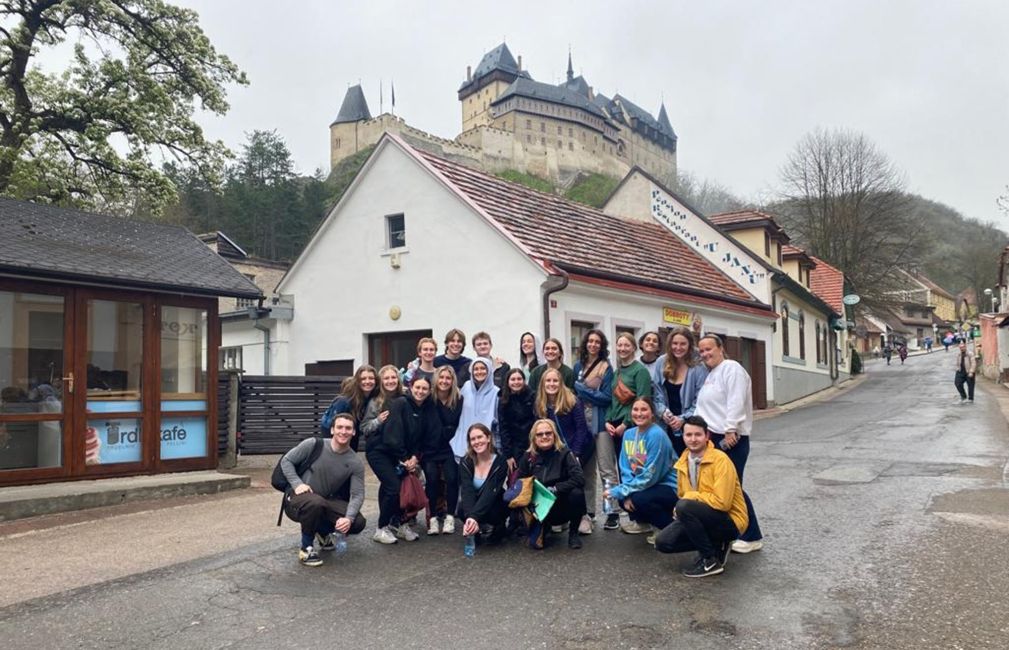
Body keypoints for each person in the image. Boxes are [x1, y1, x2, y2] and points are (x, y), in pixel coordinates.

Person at [654, 415, 748, 578]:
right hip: (702, 515)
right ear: (683, 436)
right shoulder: (683, 461)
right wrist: (683, 507)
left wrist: (688, 500)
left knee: (684, 506)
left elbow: (722, 503)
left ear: (707, 436)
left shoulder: (720, 460)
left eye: (698, 435)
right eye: (688, 435)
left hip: (730, 520)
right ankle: (715, 545)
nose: (693, 439)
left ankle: (710, 560)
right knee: (663, 542)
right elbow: (683, 496)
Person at [695, 333, 763, 554]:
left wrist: (731, 428)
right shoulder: (711, 374)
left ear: (721, 348)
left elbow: (736, 400)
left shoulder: (731, 368)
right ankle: (730, 532)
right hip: (712, 437)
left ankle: (752, 536)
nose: (705, 353)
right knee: (718, 489)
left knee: (732, 488)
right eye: (702, 351)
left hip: (730, 438)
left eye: (709, 349)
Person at [281, 414, 367, 566]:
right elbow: (286, 461)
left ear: (354, 432)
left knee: (358, 522)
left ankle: (322, 531)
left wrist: (348, 518)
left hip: (325, 500)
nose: (343, 431)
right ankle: (306, 548)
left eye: (348, 428)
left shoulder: (355, 462)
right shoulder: (313, 444)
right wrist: (297, 483)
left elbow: (357, 494)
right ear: (332, 430)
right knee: (316, 503)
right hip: (297, 498)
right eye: (339, 427)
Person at [365, 375, 434, 544]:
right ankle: (381, 528)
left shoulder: (425, 408)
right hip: (380, 451)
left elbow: (420, 438)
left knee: (404, 488)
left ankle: (399, 524)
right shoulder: (401, 403)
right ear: (410, 387)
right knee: (393, 487)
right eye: (417, 387)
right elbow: (392, 437)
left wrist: (414, 458)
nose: (420, 391)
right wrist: (405, 459)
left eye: (424, 388)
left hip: (401, 455)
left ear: (429, 391)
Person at [599, 332, 652, 531]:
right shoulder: (618, 371)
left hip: (630, 428)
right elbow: (613, 400)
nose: (622, 349)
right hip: (614, 426)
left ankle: (642, 518)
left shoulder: (640, 371)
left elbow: (643, 400)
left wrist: (626, 423)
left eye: (626, 345)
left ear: (633, 348)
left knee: (634, 470)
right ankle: (629, 515)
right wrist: (606, 421)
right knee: (620, 471)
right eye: (619, 345)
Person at [605, 397, 678, 538]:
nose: (639, 414)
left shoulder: (657, 435)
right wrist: (625, 493)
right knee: (623, 497)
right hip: (645, 484)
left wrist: (623, 491)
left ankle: (669, 528)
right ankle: (643, 523)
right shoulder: (628, 434)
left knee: (638, 498)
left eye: (644, 409)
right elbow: (624, 468)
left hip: (667, 486)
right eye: (635, 409)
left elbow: (651, 475)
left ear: (652, 413)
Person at [535, 366, 592, 534]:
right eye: (548, 381)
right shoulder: (540, 404)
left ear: (561, 383)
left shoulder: (572, 400)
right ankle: (563, 516)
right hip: (559, 451)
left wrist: (576, 453)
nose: (551, 384)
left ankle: (584, 517)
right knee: (560, 480)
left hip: (580, 446)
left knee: (579, 480)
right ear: (543, 384)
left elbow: (581, 429)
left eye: (555, 381)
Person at [517, 419, 586, 550]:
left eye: (548, 433)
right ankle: (540, 527)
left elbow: (579, 478)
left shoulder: (565, 453)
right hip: (538, 507)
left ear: (554, 435)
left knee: (577, 493)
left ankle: (573, 533)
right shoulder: (528, 457)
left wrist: (556, 488)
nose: (544, 436)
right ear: (534, 438)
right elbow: (520, 482)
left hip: (561, 504)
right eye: (540, 434)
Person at [573, 329, 613, 531]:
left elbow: (607, 397)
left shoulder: (606, 367)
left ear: (602, 345)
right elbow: (573, 396)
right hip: (583, 424)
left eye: (597, 342)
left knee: (606, 470)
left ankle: (611, 511)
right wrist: (587, 393)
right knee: (586, 471)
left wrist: (584, 391)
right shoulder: (578, 366)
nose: (593, 344)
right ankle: (589, 512)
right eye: (590, 341)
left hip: (601, 422)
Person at [651, 326, 708, 457]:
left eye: (683, 344)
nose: (678, 347)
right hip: (665, 424)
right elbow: (656, 393)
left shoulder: (698, 366)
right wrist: (663, 412)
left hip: (690, 425)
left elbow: (700, 400)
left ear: (690, 345)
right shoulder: (662, 362)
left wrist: (682, 419)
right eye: (675, 343)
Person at [425, 369, 462, 534]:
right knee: (432, 479)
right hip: (430, 447)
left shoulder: (458, 399)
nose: (445, 381)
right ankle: (432, 518)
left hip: (450, 447)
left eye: (448, 378)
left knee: (452, 479)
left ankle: (450, 517)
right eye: (442, 377)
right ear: (436, 378)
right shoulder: (429, 398)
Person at [459, 423, 510, 544]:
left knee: (495, 510)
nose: (477, 441)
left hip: (495, 502)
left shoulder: (500, 461)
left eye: (480, 437)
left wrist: (474, 516)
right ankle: (474, 529)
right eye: (473, 439)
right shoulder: (465, 461)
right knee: (461, 509)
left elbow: (490, 492)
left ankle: (498, 527)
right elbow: (467, 490)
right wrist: (470, 519)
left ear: (488, 438)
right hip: (475, 501)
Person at [451, 357, 499, 460]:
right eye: (476, 369)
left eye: (483, 368)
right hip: (463, 444)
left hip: (485, 446)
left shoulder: (496, 392)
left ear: (489, 370)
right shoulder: (466, 387)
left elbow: (498, 422)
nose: (479, 371)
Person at [326, 365, 378, 451]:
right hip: (334, 437)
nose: (367, 381)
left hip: (353, 435)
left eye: (371, 378)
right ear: (357, 381)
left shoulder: (373, 398)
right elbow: (330, 426)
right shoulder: (345, 401)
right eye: (363, 379)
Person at [498, 368, 536, 473]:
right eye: (513, 379)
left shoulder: (532, 396)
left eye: (519, 379)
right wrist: (508, 455)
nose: (516, 382)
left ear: (524, 381)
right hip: (514, 446)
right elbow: (503, 428)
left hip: (532, 443)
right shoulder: (503, 400)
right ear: (508, 382)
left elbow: (537, 420)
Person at [359, 364, 403, 445]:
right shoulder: (375, 402)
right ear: (381, 381)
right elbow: (364, 427)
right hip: (380, 446)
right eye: (386, 378)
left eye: (393, 377)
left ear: (398, 379)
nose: (390, 381)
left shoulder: (406, 397)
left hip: (403, 446)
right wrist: (377, 421)